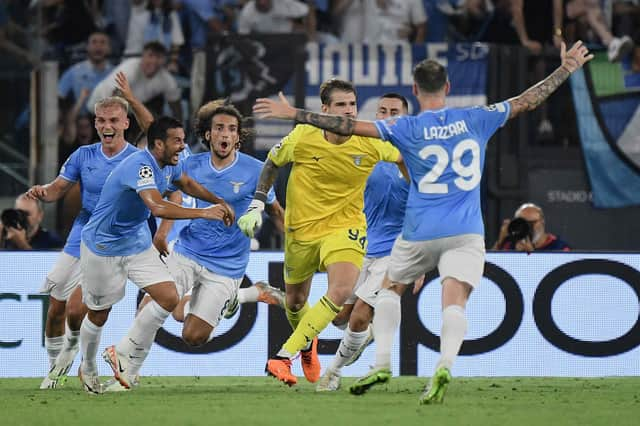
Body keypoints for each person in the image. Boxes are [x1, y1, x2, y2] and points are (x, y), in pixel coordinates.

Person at [252, 40, 593, 402]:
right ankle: (441, 363)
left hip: (412, 237)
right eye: (378, 110)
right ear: (448, 88)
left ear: (414, 92)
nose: (379, 115)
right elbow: (528, 100)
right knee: (435, 304)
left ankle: (352, 366)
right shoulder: (475, 117)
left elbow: (345, 126)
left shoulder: (403, 132)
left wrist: (295, 114)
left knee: (368, 308)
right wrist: (566, 69)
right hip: (454, 232)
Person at [103, 101, 286, 391]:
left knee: (194, 336)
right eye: (219, 128)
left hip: (228, 265)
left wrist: (296, 247)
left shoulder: (255, 170)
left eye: (231, 129)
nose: (225, 134)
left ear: (238, 137)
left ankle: (245, 294)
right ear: (208, 135)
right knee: (155, 302)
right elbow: (158, 139)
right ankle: (127, 369)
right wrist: (162, 234)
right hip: (188, 251)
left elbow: (275, 210)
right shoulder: (190, 163)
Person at [238, 78, 406, 387]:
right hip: (301, 231)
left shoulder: (370, 140)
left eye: (353, 104)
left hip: (346, 227)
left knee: (340, 291)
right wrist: (257, 202)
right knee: (295, 302)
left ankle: (282, 355)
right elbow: (272, 162)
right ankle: (307, 345)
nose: (348, 111)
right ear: (325, 109)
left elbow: (404, 159)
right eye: (341, 105)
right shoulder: (303, 136)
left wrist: (423, 192)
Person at [77, 116, 233, 394]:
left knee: (169, 296)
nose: (182, 146)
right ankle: (87, 366)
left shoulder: (169, 165)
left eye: (183, 140)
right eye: (177, 141)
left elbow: (186, 183)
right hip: (103, 246)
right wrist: (204, 212)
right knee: (99, 313)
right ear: (158, 144)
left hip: (136, 243)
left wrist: (219, 201)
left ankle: (122, 354)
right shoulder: (141, 166)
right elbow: (157, 207)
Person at [28, 96, 140, 389]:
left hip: (113, 241)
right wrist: (43, 192)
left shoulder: (136, 160)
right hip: (81, 233)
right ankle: (55, 369)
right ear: (95, 123)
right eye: (101, 121)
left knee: (78, 310)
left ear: (126, 123)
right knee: (55, 307)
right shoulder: (83, 155)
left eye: (114, 120)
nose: (107, 126)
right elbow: (57, 189)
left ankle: (80, 358)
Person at [316, 93, 413, 392]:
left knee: (358, 316)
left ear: (405, 119)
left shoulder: (415, 158)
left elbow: (425, 209)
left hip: (395, 252)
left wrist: (421, 263)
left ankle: (333, 371)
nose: (386, 115)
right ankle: (362, 337)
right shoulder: (365, 152)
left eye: (393, 111)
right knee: (340, 318)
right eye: (381, 110)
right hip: (360, 245)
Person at [87, 41, 182, 122]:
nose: (153, 61)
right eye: (150, 55)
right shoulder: (130, 67)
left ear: (164, 60)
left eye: (158, 57)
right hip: (98, 107)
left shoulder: (166, 79)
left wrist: (179, 128)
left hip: (130, 110)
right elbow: (115, 96)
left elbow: (175, 104)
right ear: (143, 56)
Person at [492, 203, 570, 252]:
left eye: (531, 223)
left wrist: (531, 254)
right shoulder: (510, 246)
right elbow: (489, 269)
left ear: (542, 222)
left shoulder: (559, 247)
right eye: (522, 222)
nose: (527, 227)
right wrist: (500, 241)